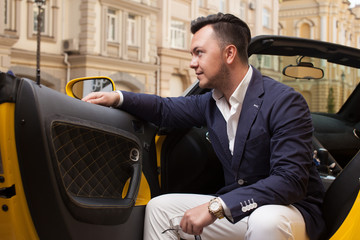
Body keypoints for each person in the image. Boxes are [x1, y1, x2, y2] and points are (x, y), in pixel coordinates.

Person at [82, 13, 325, 240]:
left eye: (199, 53)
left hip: (288, 210)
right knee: (160, 208)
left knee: (266, 220)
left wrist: (217, 206)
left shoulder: (285, 101)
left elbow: (289, 181)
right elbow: (164, 109)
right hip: (240, 207)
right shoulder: (211, 102)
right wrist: (118, 98)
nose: (191, 63)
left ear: (229, 54)